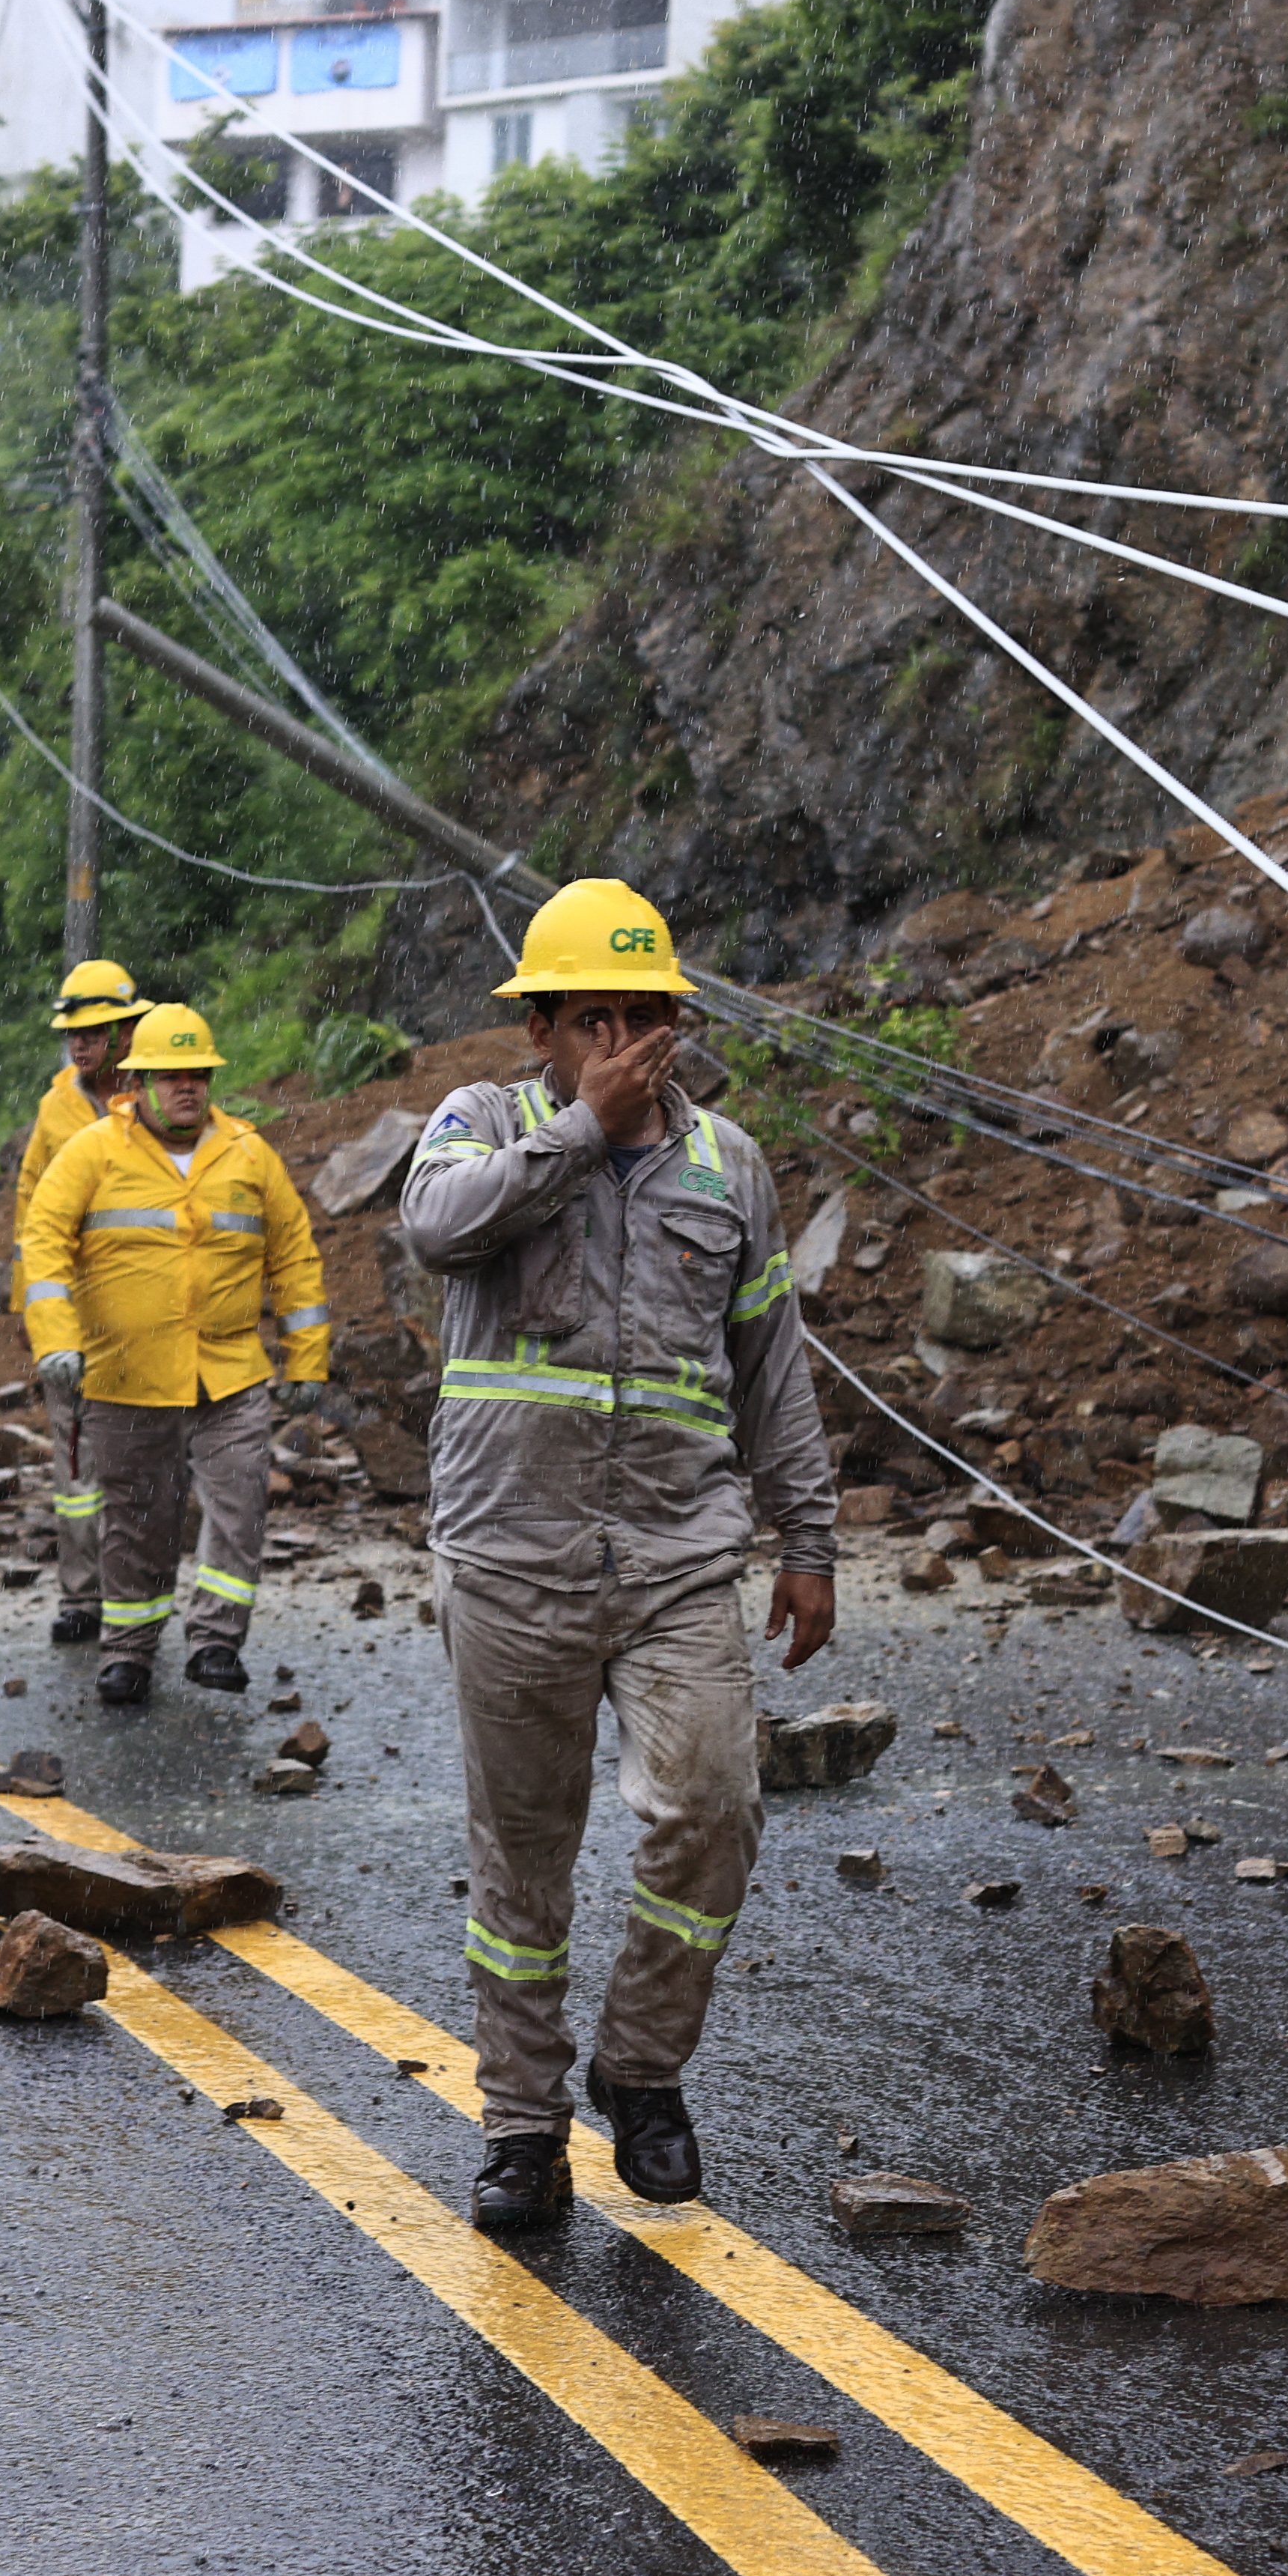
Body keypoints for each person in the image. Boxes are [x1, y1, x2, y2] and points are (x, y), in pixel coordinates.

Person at [395, 879, 837, 2232]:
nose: (623, 1037)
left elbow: (772, 1362)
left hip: (676, 1556)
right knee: (522, 1858)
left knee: (711, 1807)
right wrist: (584, 1131)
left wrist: (807, 1534)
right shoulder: (482, 1124)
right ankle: (523, 2124)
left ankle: (640, 2073)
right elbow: (434, 1227)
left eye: (644, 1015)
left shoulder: (731, 1168)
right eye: (591, 1017)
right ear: (540, 1029)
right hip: (512, 1557)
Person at [19, 1001, 327, 1708]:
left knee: (241, 1499)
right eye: (172, 1076)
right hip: (128, 1373)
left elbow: (296, 1260)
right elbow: (45, 1245)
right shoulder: (94, 1152)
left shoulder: (249, 1153)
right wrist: (57, 1341)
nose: (188, 1087)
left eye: (199, 1074)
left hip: (230, 1373)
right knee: (138, 1517)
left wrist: (307, 1361)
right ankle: (129, 1650)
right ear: (139, 1082)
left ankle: (216, 1640)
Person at [18, 959, 151, 1646]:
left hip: (145, 1315)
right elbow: (31, 1213)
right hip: (75, 1314)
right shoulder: (56, 1109)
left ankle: (138, 1593)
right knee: (75, 1465)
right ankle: (81, 1596)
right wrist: (38, 1318)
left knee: (142, 1462)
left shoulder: (160, 1095)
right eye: (73, 1032)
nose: (80, 1044)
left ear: (127, 1031)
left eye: (95, 1031)